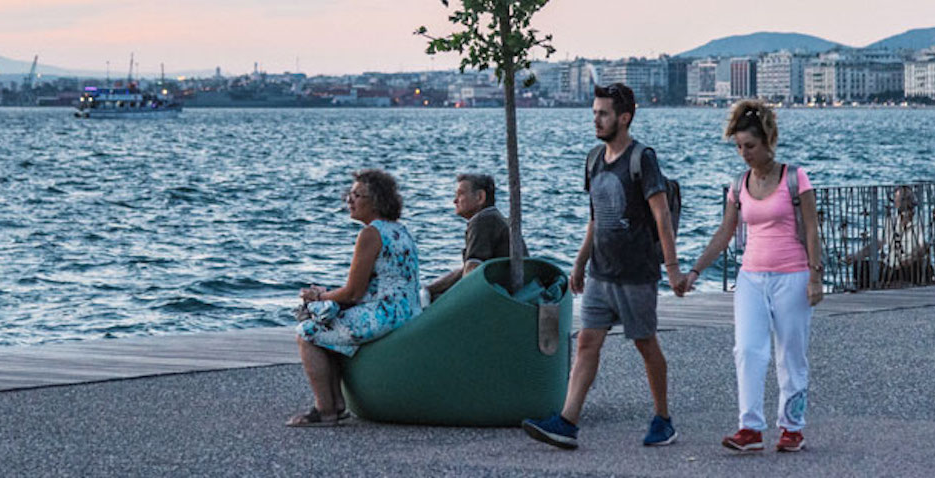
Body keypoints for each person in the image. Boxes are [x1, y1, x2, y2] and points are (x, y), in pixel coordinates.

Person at [522, 83, 685, 450]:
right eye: (594, 112)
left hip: (636, 274)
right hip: (600, 272)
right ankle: (567, 422)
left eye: (604, 113)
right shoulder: (594, 158)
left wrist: (672, 268)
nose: (596, 119)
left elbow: (661, 216)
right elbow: (595, 218)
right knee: (587, 343)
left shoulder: (642, 159)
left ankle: (663, 419)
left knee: (645, 344)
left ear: (624, 118)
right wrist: (579, 262)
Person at [679, 100, 823, 453]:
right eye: (739, 147)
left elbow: (812, 228)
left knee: (791, 353)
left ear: (768, 140)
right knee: (747, 350)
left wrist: (815, 276)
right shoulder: (738, 184)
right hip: (751, 278)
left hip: (792, 275)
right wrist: (694, 270)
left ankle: (792, 428)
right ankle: (750, 428)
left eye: (750, 146)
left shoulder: (794, 177)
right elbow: (724, 233)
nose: (744, 153)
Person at [287, 169, 421, 427]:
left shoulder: (371, 234)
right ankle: (337, 404)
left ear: (377, 201)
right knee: (332, 322)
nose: (349, 200)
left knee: (307, 331)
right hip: (407, 310)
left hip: (384, 314)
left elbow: (353, 292)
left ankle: (325, 410)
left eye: (357, 195)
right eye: (349, 194)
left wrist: (317, 296)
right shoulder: (400, 230)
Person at [423, 173, 524, 301]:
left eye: (460, 194)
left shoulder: (482, 220)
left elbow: (471, 272)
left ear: (480, 197)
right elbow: (467, 269)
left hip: (498, 298)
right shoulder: (498, 219)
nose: (455, 201)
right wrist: (429, 289)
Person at [843, 185, 933, 288]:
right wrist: (857, 255)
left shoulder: (919, 223)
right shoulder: (892, 222)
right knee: (860, 266)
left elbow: (921, 249)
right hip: (891, 265)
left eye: (898, 200)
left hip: (909, 266)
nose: (896, 204)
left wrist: (903, 261)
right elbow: (879, 242)